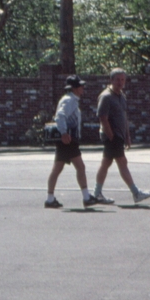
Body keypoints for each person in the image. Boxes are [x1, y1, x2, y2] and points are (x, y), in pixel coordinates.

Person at [94, 68, 150, 204]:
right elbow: (102, 118)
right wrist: (111, 136)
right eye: (117, 80)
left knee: (106, 163)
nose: (120, 82)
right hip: (112, 136)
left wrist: (127, 136)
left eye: (122, 80)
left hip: (119, 136)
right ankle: (136, 193)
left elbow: (124, 117)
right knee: (122, 163)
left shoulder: (122, 96)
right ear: (111, 80)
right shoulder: (106, 97)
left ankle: (97, 194)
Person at [45, 76, 100, 209]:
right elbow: (60, 115)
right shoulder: (69, 100)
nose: (83, 88)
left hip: (68, 140)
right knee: (79, 167)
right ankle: (86, 197)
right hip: (68, 140)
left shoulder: (71, 100)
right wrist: (64, 132)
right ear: (74, 88)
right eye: (80, 86)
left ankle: (50, 199)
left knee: (58, 169)